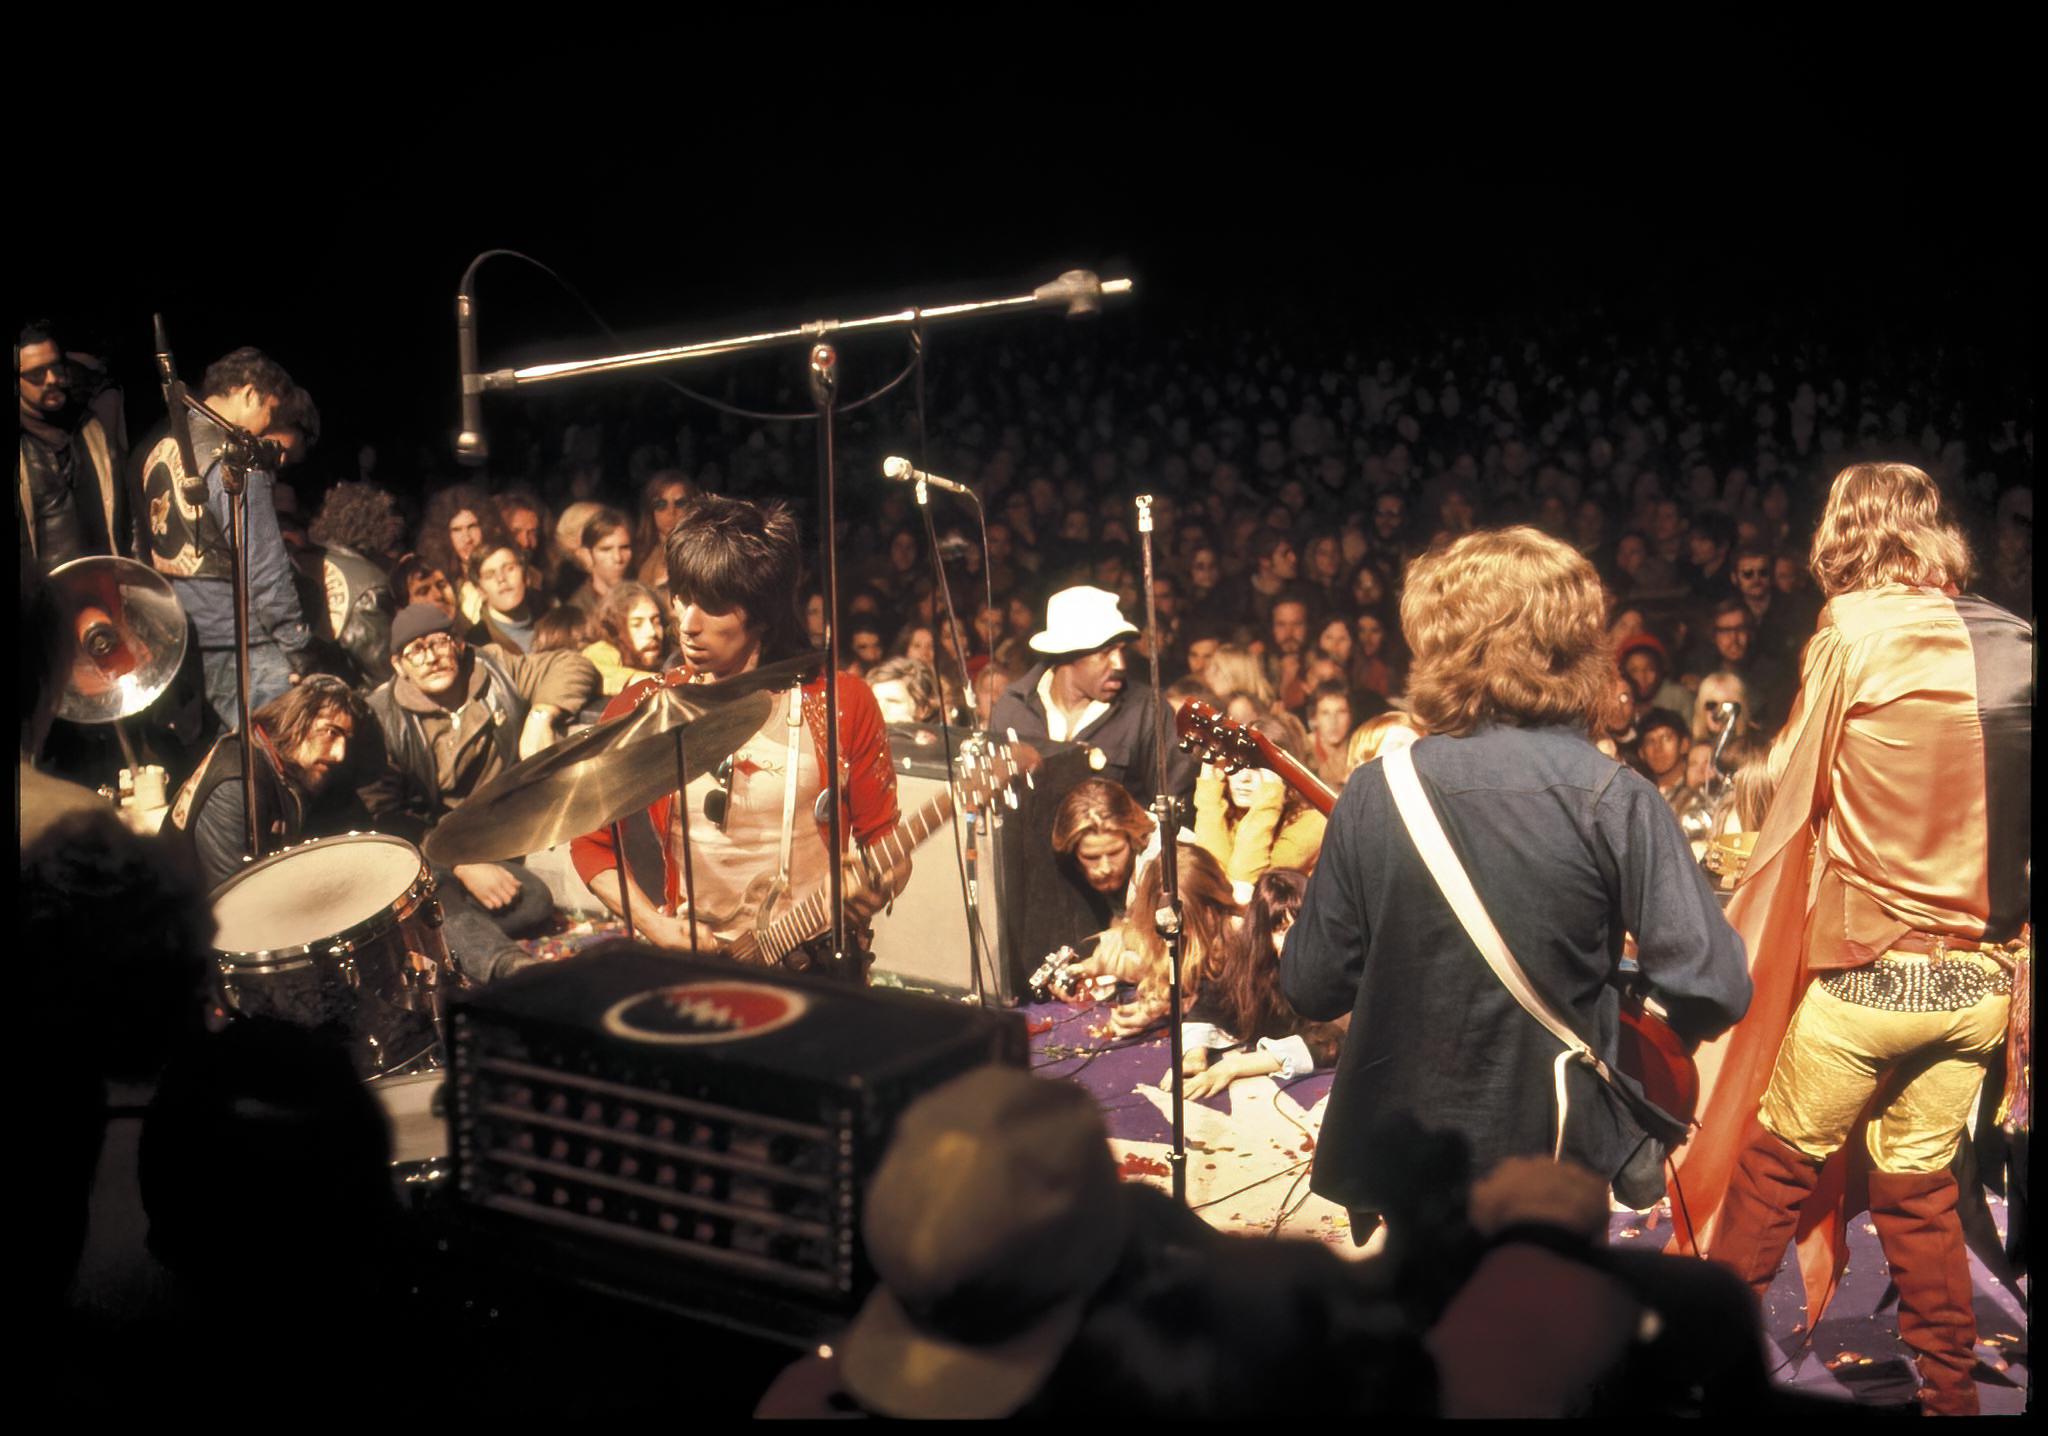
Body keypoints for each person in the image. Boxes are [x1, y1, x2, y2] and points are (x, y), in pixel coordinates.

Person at [1683, 463, 2031, 1416]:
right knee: (1920, 1191)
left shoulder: (1851, 628)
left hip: (1871, 983)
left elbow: (1796, 781)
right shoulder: (2017, 637)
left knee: (1767, 1173)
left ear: (1844, 533)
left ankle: (1691, 1375)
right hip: (1980, 987)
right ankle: (1952, 1401)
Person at [1282, 526, 1750, 1232]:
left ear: (1442, 645)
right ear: (1574, 646)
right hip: (1556, 1153)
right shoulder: (1614, 795)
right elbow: (1714, 984)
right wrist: (1625, 1022)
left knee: (1423, 1331)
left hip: (1410, 1156)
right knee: (1547, 1331)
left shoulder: (1377, 791)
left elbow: (1313, 986)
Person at [569, 495, 905, 971]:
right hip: (702, 963)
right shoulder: (647, 706)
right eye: (682, 597)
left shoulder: (842, 703)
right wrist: (654, 924)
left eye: (712, 605)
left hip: (814, 958)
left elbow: (885, 847)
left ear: (763, 612)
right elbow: (588, 839)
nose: (688, 624)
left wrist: (874, 885)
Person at [359, 603, 597, 980]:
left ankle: (436, 928)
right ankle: (508, 967)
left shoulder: (495, 670)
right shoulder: (381, 717)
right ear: (399, 665)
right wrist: (460, 863)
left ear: (456, 643)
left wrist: (542, 715)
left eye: (438, 642)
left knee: (533, 901)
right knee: (431, 888)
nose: (431, 657)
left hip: (496, 836)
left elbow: (571, 665)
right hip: (425, 847)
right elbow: (386, 818)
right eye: (416, 650)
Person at [137, 346, 312, 731]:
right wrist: (298, 648)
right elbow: (265, 569)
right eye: (270, 411)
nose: (268, 426)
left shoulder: (160, 448)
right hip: (246, 645)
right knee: (275, 764)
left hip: (184, 638)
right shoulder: (237, 457)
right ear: (250, 393)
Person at [989, 585, 1194, 809]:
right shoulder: (1013, 707)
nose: (1119, 664)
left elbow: (1176, 804)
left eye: (1121, 651)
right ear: (1067, 654)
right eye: (1105, 653)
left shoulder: (1147, 710)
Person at [162, 676, 374, 890]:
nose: (340, 754)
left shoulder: (282, 765)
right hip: (193, 915)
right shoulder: (240, 785)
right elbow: (238, 896)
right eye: (331, 732)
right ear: (297, 719)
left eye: (346, 738)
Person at [1171, 868, 1347, 1097]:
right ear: (1263, 934)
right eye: (1281, 930)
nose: (1291, 941)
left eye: (1299, 928)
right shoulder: (1255, 966)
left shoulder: (1335, 967)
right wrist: (1195, 1054)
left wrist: (1232, 1067)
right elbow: (1210, 1005)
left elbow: (1328, 1044)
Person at [18, 318, 136, 572]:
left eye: (56, 367)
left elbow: (125, 512)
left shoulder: (89, 429)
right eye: (36, 374)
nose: (51, 379)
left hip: (102, 589)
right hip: (43, 602)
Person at [1192, 712, 1326, 890]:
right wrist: (1209, 787)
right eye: (1236, 764)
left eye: (1256, 767)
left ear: (1280, 773)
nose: (1243, 778)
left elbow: (1245, 884)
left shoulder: (1312, 823)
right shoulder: (1232, 815)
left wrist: (1271, 793)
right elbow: (1213, 879)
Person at [583, 579, 668, 697]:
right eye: (637, 625)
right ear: (617, 629)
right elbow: (596, 674)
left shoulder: (669, 652)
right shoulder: (601, 651)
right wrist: (665, 682)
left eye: (656, 621)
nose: (652, 632)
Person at [469, 539, 546, 654]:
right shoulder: (476, 645)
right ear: (480, 590)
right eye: (490, 575)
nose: (501, 579)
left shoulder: (552, 618)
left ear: (526, 575)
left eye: (509, 569)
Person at [564, 506, 633, 616]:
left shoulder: (643, 598)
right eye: (606, 549)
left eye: (624, 547)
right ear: (587, 555)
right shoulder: (578, 611)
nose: (618, 558)